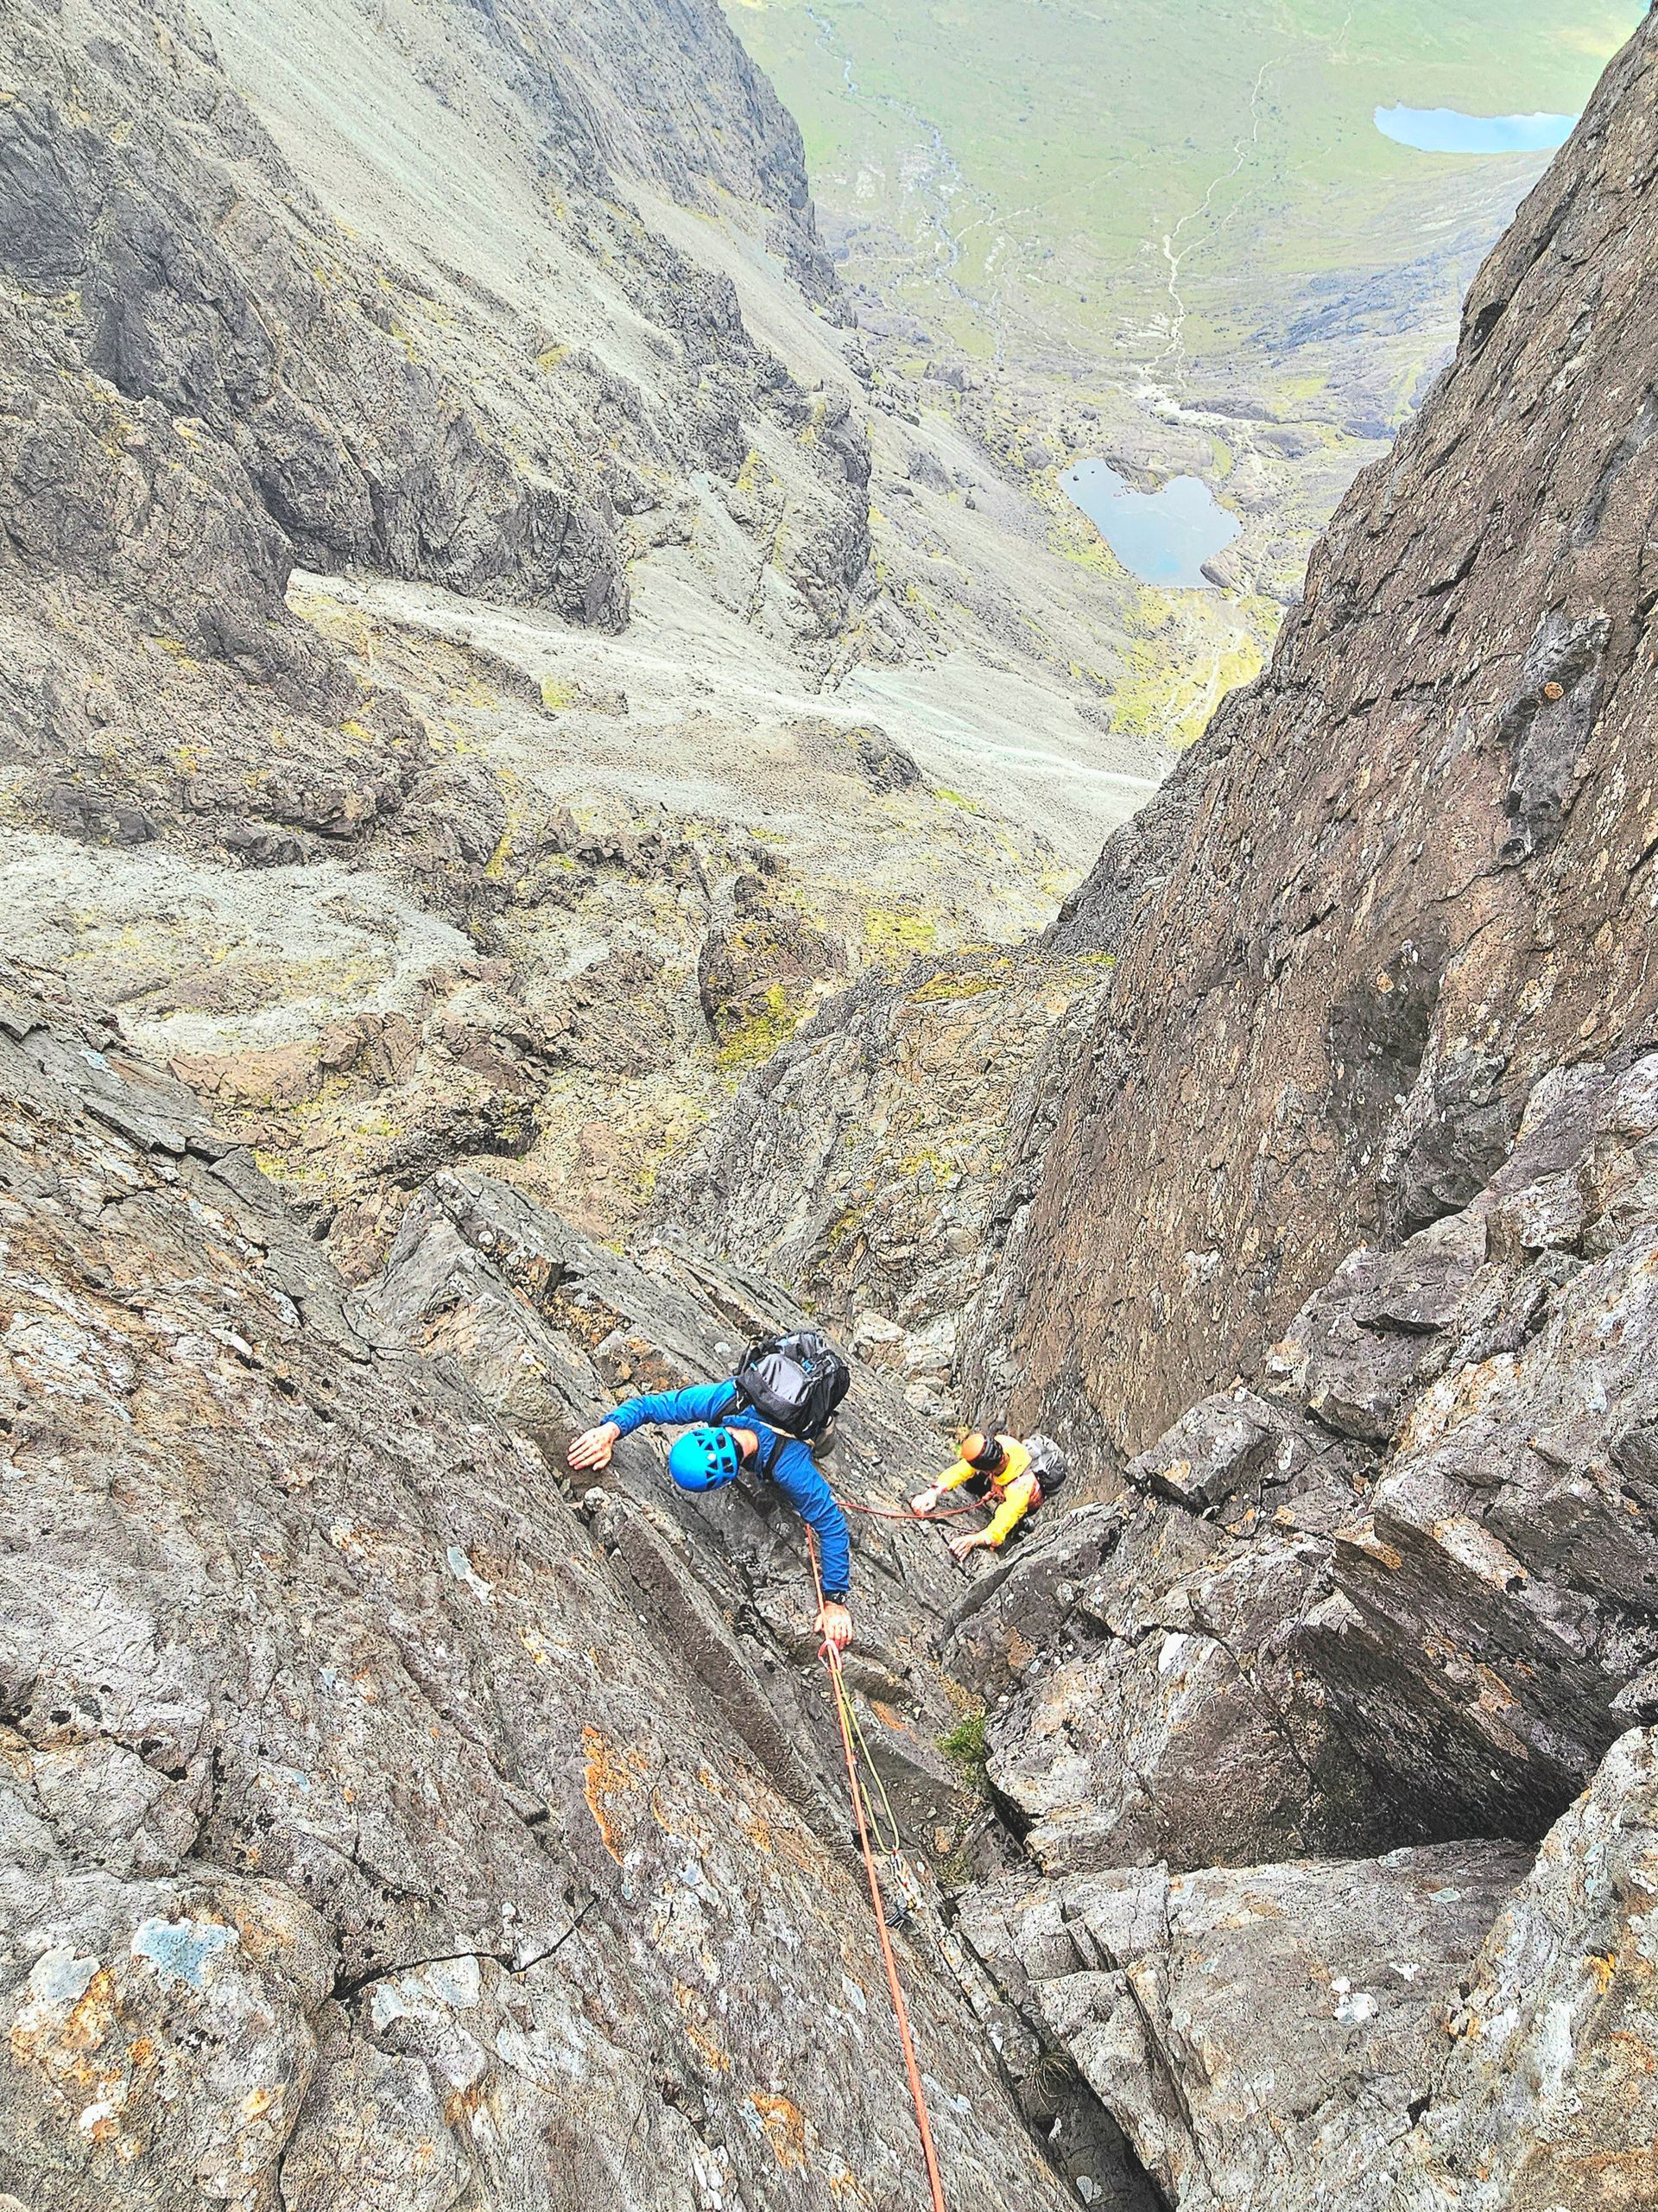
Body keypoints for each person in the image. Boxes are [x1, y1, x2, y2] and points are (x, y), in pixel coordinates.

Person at [569, 1380, 855, 1650]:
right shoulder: (726, 1398)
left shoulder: (789, 1466)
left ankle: (823, 1423)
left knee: (823, 1443)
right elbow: (650, 1406)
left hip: (805, 1411)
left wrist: (835, 1601)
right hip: (782, 1378)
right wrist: (608, 1430)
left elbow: (832, 1526)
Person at [910, 1426, 1067, 1561]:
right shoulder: (1003, 1443)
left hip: (1025, 1491)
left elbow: (997, 1531)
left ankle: (1021, 1524)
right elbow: (963, 1469)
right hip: (1010, 1477)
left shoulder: (1020, 1491)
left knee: (1014, 1517)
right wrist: (933, 1492)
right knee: (972, 1485)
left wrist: (974, 1540)